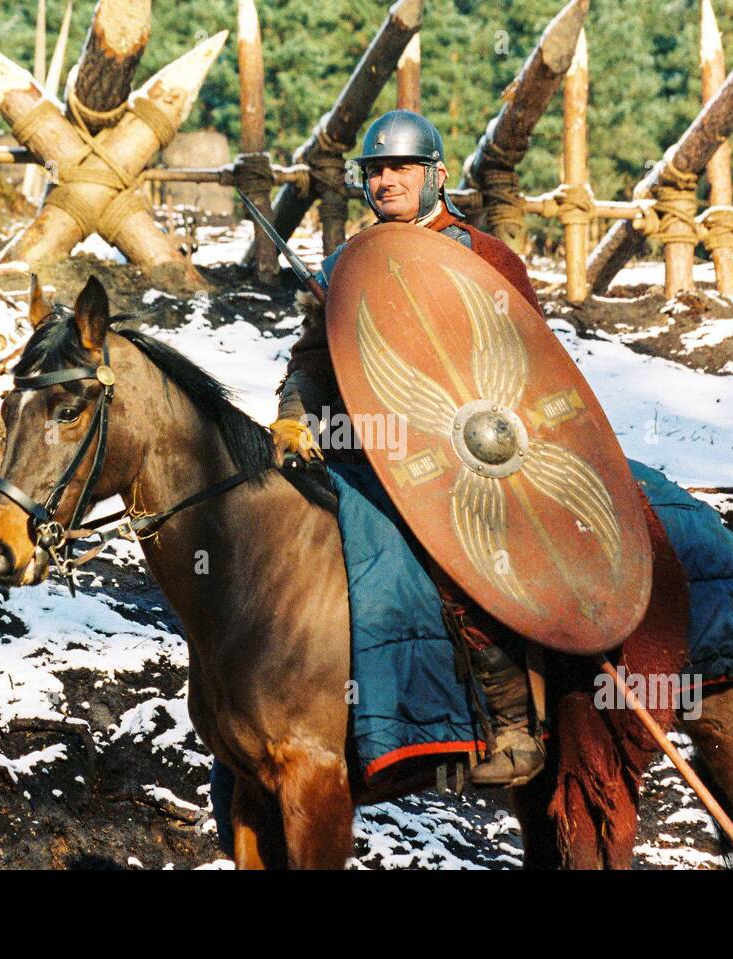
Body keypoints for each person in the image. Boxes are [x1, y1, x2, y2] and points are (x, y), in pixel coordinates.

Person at [269, 110, 546, 787]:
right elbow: (311, 357)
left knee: (458, 560)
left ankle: (512, 720)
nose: (385, 179)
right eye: (375, 170)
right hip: (363, 452)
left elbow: (530, 363)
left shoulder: (484, 256)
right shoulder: (348, 263)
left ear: (438, 175)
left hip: (470, 454)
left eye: (401, 168)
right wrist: (292, 412)